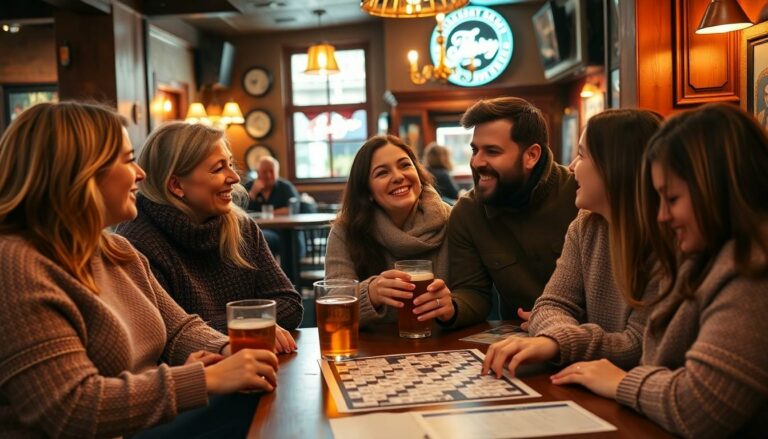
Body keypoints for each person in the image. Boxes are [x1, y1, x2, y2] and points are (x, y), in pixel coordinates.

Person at [0, 102, 279, 438]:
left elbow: (178, 329)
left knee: (261, 394)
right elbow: (72, 407)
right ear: (81, 172)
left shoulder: (116, 250)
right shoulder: (16, 264)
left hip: (140, 425)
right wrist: (203, 379)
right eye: (129, 159)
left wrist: (226, 349)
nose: (142, 173)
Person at [546, 103, 768, 438]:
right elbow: (660, 363)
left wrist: (620, 380)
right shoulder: (705, 256)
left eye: (672, 198)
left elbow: (697, 406)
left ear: (714, 189)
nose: (661, 216)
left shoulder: (749, 267)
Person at [482, 109, 662, 378]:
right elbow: (551, 305)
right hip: (590, 382)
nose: (571, 166)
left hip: (637, 393)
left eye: (582, 155)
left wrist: (556, 341)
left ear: (615, 166)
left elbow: (638, 343)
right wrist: (557, 339)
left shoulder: (667, 238)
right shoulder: (585, 225)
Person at [116, 122, 302, 353]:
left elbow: (290, 304)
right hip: (197, 381)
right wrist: (250, 325)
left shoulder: (241, 227)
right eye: (218, 169)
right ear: (176, 185)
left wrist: (232, 327)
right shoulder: (139, 241)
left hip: (258, 367)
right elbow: (166, 335)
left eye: (231, 165)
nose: (234, 177)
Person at [442, 97, 578, 329]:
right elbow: (473, 292)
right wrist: (451, 309)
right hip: (518, 343)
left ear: (531, 156)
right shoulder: (467, 213)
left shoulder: (579, 195)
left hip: (586, 338)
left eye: (492, 152)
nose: (476, 162)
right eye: (475, 150)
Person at [325, 135, 455, 326]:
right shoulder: (345, 231)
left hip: (444, 345)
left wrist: (454, 306)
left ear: (418, 173)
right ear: (367, 191)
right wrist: (371, 292)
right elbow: (332, 307)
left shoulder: (452, 220)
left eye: (405, 165)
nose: (398, 176)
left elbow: (474, 294)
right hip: (374, 349)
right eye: (382, 173)